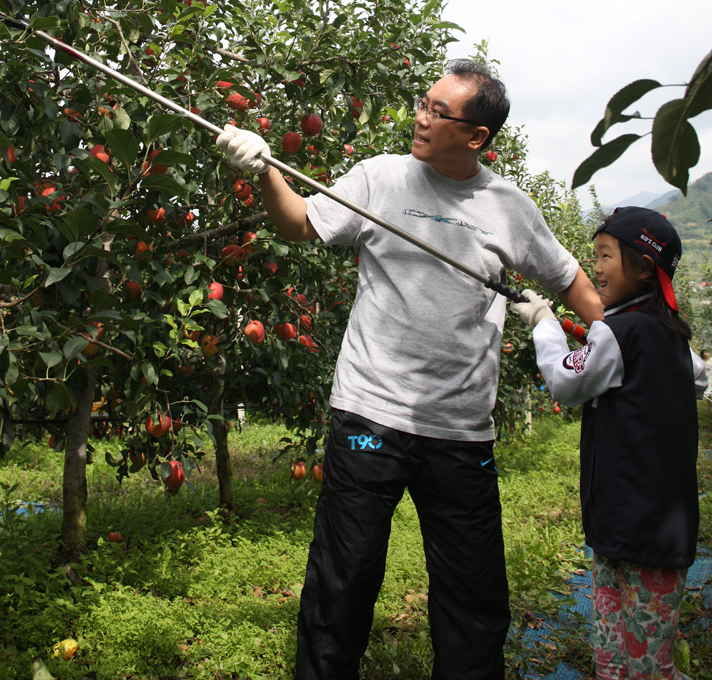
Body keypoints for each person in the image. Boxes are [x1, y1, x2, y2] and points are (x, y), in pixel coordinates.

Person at [216, 59, 604, 680]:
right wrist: (264, 170)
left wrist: (617, 337)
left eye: (437, 112)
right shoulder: (381, 179)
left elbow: (571, 279)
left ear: (476, 136)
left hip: (460, 428)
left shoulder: (510, 208)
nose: (419, 119)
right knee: (341, 584)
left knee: (472, 598)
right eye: (422, 104)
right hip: (371, 411)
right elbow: (298, 225)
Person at [512, 207, 708, 680]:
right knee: (635, 656)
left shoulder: (620, 332)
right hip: (648, 528)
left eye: (605, 256)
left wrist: (543, 321)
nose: (594, 267)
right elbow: (697, 378)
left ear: (643, 267)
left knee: (631, 662)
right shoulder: (668, 334)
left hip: (630, 527)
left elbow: (564, 381)